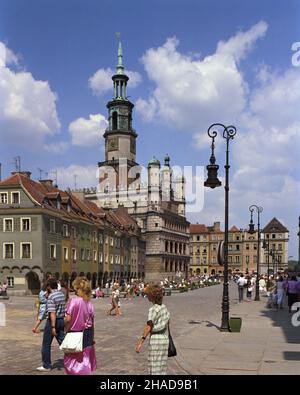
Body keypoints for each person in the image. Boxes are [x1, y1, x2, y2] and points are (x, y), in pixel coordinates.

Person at [64, 277, 97, 375]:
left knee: (71, 359)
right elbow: (92, 322)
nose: (75, 291)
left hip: (75, 333)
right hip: (88, 332)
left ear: (79, 289)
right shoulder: (89, 303)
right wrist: (93, 337)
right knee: (85, 358)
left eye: (76, 289)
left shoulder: (74, 301)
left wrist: (66, 328)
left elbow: (68, 319)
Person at [135, 283, 170, 375]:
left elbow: (149, 326)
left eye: (148, 295)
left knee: (154, 367)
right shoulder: (164, 307)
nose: (147, 296)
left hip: (156, 340)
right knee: (162, 367)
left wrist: (141, 342)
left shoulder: (153, 309)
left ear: (153, 296)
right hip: (164, 339)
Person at [37, 278, 66, 372]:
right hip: (61, 320)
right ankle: (75, 358)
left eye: (46, 286)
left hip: (53, 321)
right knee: (64, 342)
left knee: (46, 344)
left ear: (49, 286)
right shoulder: (61, 294)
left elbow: (52, 312)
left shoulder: (51, 297)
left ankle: (46, 365)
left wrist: (53, 327)